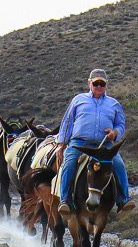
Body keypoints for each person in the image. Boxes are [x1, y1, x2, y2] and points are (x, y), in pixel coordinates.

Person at [56, 68, 131, 214]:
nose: (99, 87)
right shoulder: (78, 100)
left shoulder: (114, 104)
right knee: (69, 163)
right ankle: (65, 201)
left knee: (119, 165)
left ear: (106, 85)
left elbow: (120, 125)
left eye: (102, 84)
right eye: (96, 83)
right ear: (89, 83)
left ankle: (123, 199)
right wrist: (61, 144)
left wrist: (115, 133)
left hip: (104, 145)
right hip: (80, 143)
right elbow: (67, 122)